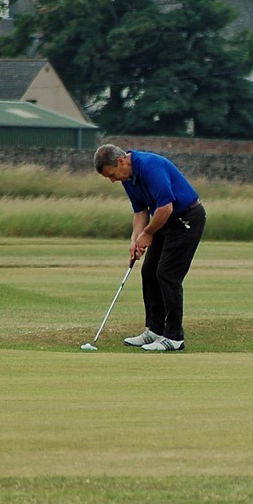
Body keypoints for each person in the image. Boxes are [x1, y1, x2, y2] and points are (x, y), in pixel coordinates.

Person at [94, 143, 206, 352]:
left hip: (186, 218)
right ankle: (155, 330)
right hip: (166, 221)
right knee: (149, 271)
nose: (112, 180)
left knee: (167, 274)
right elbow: (141, 212)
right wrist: (135, 240)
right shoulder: (127, 177)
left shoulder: (150, 166)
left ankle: (174, 337)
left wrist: (147, 234)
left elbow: (166, 207)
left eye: (112, 174)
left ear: (121, 161)